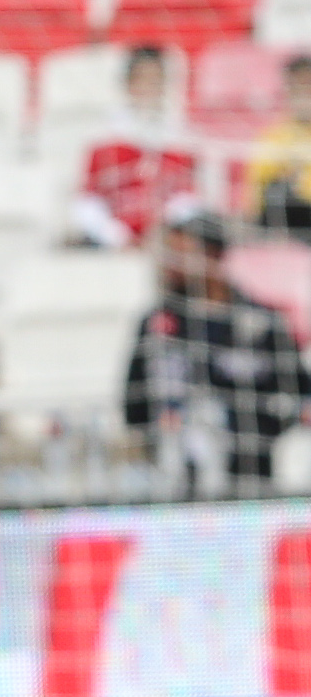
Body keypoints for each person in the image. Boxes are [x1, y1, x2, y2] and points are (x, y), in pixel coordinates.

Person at [124, 197, 311, 493]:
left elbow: (300, 394)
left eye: (181, 249)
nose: (170, 261)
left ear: (211, 253)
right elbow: (133, 407)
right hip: (178, 488)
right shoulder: (158, 324)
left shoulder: (262, 321)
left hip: (255, 485)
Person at [72, 45, 197, 249]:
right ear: (128, 83)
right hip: (112, 245)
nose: (148, 87)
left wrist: (165, 231)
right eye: (142, 79)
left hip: (166, 244)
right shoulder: (103, 141)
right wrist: (114, 234)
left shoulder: (180, 141)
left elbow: (188, 199)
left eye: (155, 80)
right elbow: (87, 203)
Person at [246, 53, 311, 241]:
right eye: (298, 88)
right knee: (279, 192)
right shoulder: (273, 138)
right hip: (293, 222)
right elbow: (258, 196)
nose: (305, 96)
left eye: (308, 87)